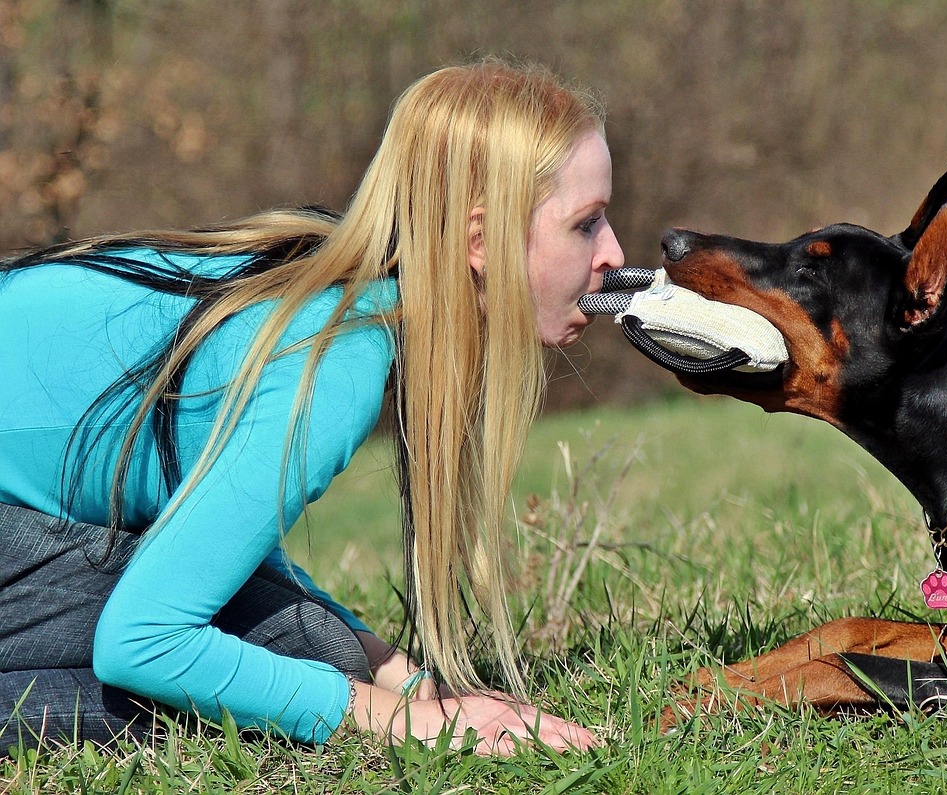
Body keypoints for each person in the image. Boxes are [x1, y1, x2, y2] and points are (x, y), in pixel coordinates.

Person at [0, 59, 622, 754]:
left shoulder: (330, 291)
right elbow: (142, 640)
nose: (614, 255)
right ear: (479, 242)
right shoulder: (334, 362)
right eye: (586, 225)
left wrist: (406, 677)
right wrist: (409, 721)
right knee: (278, 660)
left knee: (317, 645)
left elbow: (213, 527)